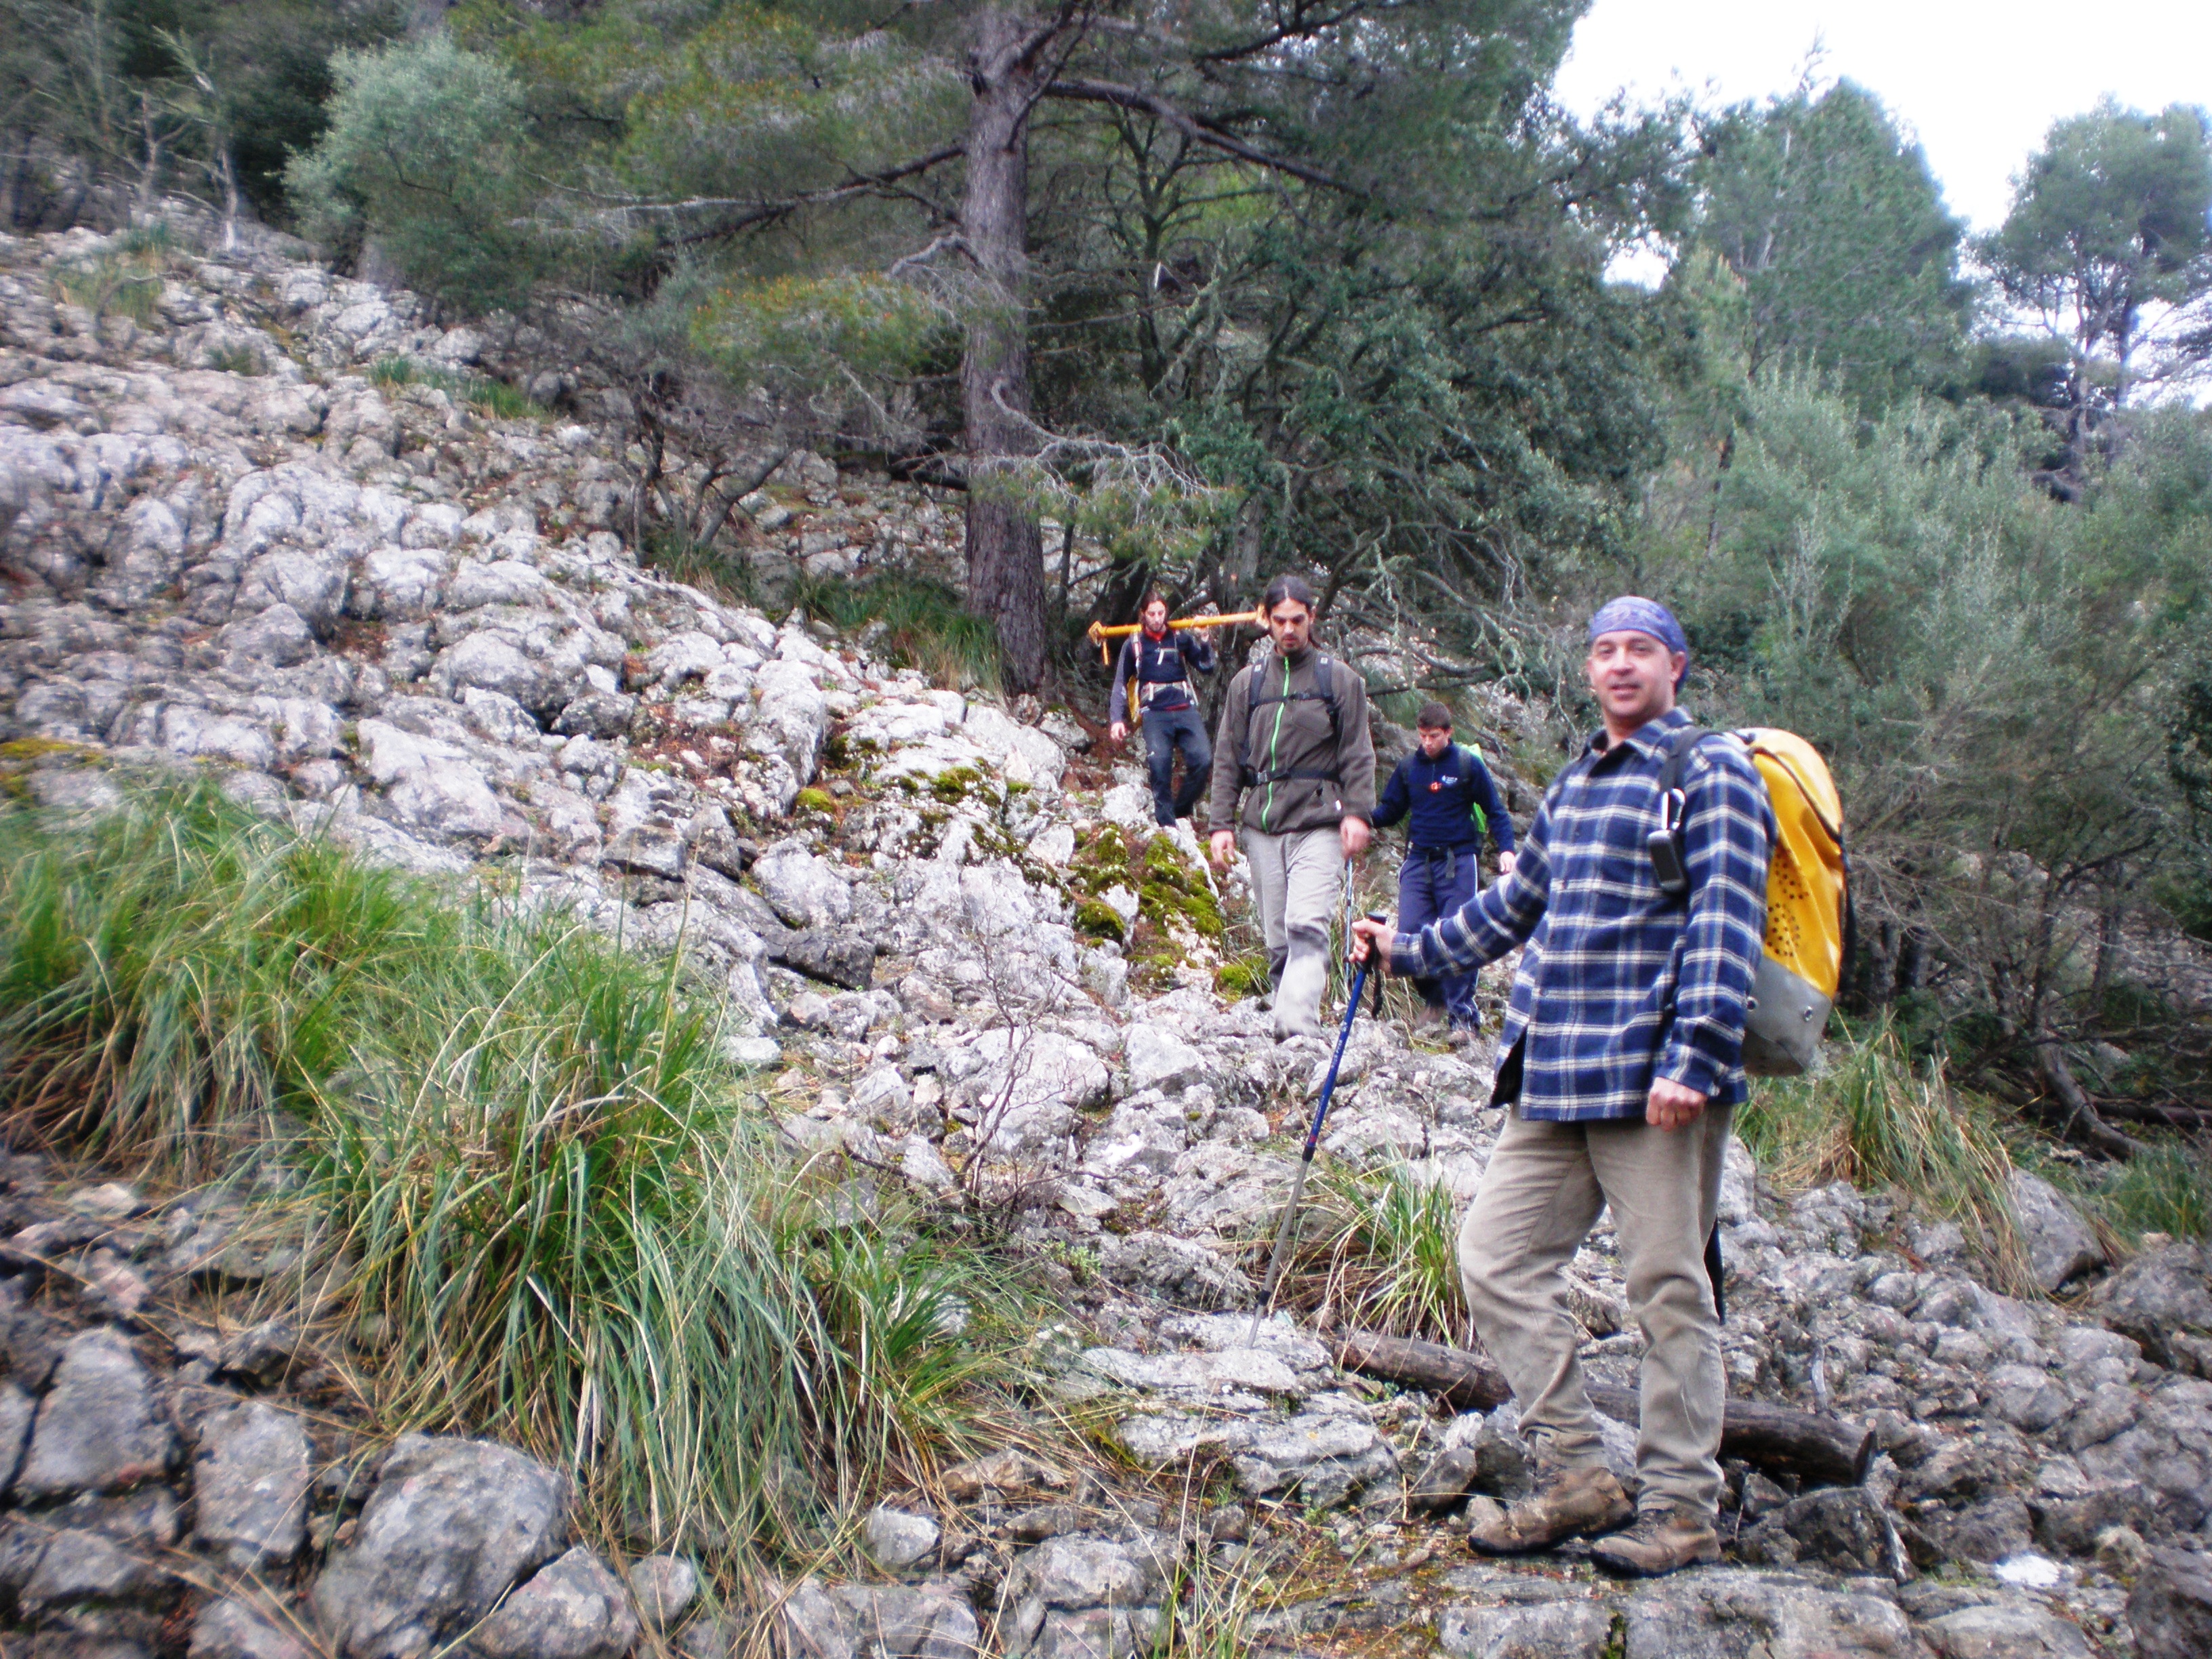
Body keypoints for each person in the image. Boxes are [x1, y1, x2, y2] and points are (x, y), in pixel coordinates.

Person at [1350, 596, 1774, 1578]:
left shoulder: (1710, 770)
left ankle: (1681, 1512)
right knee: (1494, 1259)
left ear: (1676, 665)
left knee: (1667, 1289)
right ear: (1589, 668)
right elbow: (1512, 905)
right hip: (1552, 1069)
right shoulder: (1580, 781)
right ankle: (1580, 1474)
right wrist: (1407, 951)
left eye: (1641, 650)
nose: (1621, 664)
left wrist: (1695, 1057)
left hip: (1653, 1076)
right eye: (1605, 650)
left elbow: (1727, 917)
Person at [1208, 575, 1375, 1040]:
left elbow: (1358, 752)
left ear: (1312, 618)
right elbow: (1227, 756)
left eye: (1297, 620)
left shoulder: (1338, 680)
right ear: (1266, 621)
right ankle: (1286, 1025)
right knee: (1279, 936)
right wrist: (1220, 823)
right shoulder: (1247, 684)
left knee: (1306, 924)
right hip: (1262, 824)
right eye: (1279, 621)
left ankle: (1298, 1026)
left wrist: (1358, 813)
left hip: (1319, 821)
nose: (1288, 630)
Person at [1371, 702, 1517, 1042]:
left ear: (1449, 733)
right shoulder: (1409, 768)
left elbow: (1495, 810)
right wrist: (1359, 818)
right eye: (1422, 736)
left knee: (1460, 934)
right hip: (1418, 860)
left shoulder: (1467, 765)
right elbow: (1391, 810)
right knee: (1410, 933)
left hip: (1459, 861)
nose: (1427, 743)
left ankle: (1463, 1018)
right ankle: (1434, 998)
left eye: (1434, 736)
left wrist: (1507, 850)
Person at [1108, 590, 1219, 827]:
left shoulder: (1180, 638)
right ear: (1143, 614)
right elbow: (1120, 682)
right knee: (1160, 766)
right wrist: (1117, 719)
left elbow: (1207, 667)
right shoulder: (1134, 644)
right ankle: (1167, 826)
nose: (1158, 619)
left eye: (1161, 613)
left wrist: (1204, 639)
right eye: (1152, 614)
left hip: (1185, 709)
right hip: (1155, 713)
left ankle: (1180, 812)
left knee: (1203, 760)